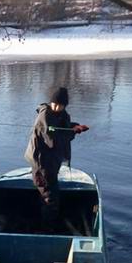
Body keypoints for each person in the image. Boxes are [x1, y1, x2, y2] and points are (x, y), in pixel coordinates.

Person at [24, 87, 89, 232]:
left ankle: (46, 222)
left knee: (49, 192)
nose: (57, 107)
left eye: (60, 105)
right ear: (51, 102)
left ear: (65, 105)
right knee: (50, 196)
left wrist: (75, 126)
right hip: (42, 162)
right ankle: (48, 228)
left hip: (52, 161)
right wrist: (73, 132)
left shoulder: (62, 114)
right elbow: (52, 139)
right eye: (55, 104)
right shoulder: (45, 116)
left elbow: (62, 128)